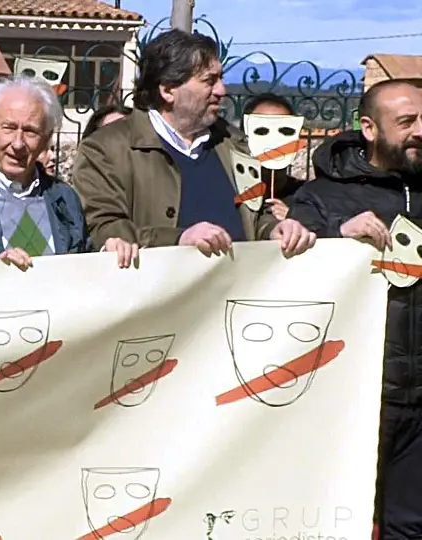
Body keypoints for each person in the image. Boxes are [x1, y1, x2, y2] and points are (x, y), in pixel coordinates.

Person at [286, 79, 422, 540]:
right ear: (368, 127)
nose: (420, 131)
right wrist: (334, 238)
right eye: (406, 122)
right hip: (352, 401)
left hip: (421, 407)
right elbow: (281, 273)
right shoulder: (321, 198)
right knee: (340, 522)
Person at [71, 30, 315, 268]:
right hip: (162, 300)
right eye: (209, 81)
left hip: (235, 299)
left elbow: (256, 214)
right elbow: (103, 227)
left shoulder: (234, 143)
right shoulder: (106, 149)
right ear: (167, 90)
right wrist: (179, 239)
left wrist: (275, 229)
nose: (222, 91)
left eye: (220, 79)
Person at [0, 76, 88, 270]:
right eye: (8, 128)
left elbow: (82, 268)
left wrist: (108, 255)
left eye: (30, 131)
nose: (18, 143)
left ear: (46, 139)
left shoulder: (65, 198)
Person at [240, 92, 307, 220]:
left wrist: (295, 218)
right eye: (261, 131)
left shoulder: (307, 197)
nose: (274, 142)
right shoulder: (228, 193)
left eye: (285, 131)